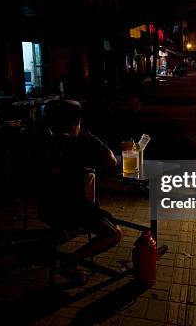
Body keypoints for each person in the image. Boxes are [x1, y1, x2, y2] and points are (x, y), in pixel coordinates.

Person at [38, 100, 122, 284]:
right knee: (114, 234)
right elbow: (111, 160)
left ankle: (62, 235)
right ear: (76, 123)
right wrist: (88, 134)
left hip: (47, 208)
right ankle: (70, 261)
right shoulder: (79, 145)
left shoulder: (47, 143)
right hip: (75, 211)